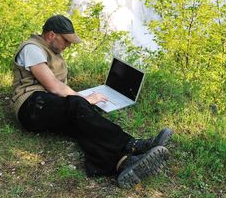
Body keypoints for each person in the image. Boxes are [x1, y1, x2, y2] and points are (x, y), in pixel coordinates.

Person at [11, 15, 172, 188]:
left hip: (47, 106)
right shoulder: (32, 48)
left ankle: (121, 164)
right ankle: (132, 144)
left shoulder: (51, 49)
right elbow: (54, 86)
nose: (68, 45)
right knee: (78, 105)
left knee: (83, 124)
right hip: (31, 106)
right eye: (66, 41)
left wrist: (82, 102)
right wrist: (84, 99)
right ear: (51, 35)